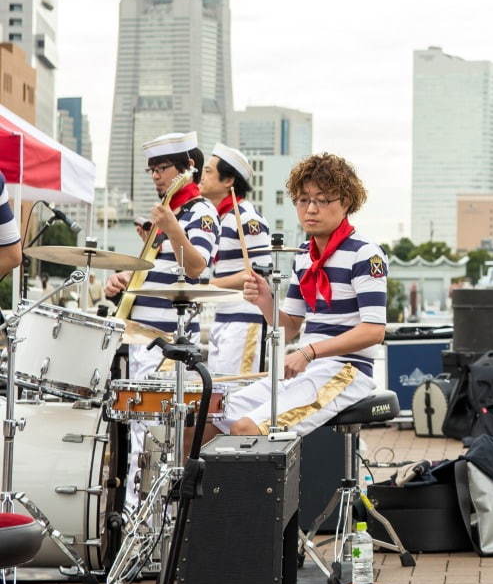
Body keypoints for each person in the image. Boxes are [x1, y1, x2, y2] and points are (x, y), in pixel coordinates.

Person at [216, 153, 387, 437]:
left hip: (347, 371)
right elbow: (291, 325)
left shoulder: (364, 253)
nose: (310, 209)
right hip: (308, 369)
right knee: (214, 413)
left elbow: (373, 331)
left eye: (321, 200)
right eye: (303, 199)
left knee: (246, 428)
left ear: (345, 202)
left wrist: (309, 352)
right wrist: (264, 301)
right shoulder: (304, 255)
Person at [104, 132, 217, 379]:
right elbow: (161, 269)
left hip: (171, 341)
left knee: (155, 417)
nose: (155, 176)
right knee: (137, 417)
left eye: (162, 168)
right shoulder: (168, 213)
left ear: (188, 168)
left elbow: (196, 267)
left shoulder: (202, 211)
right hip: (141, 337)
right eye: (151, 170)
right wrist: (123, 278)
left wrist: (172, 227)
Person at [200, 143, 274, 376]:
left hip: (245, 320)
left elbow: (259, 273)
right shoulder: (220, 217)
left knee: (235, 392)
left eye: (209, 171)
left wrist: (207, 287)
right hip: (223, 317)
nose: (201, 176)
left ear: (229, 180)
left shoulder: (248, 219)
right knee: (219, 394)